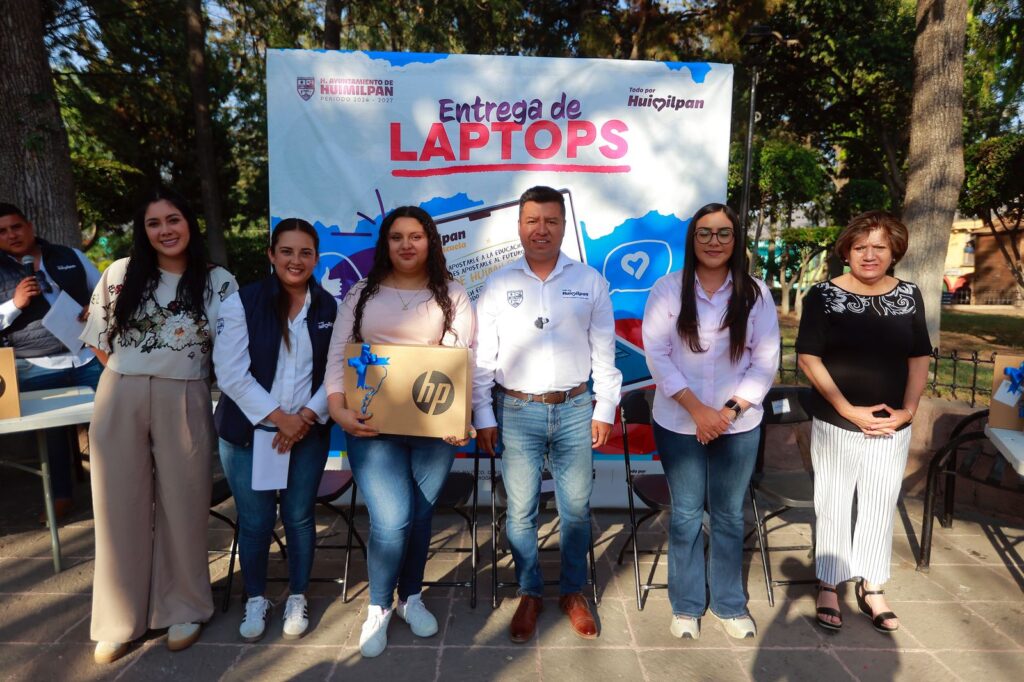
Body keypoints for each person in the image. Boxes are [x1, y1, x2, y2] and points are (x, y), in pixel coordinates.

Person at [80, 188, 238, 663]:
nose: (165, 230)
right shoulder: (120, 273)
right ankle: (118, 619)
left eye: (173, 219)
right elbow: (97, 339)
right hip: (120, 392)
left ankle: (184, 606)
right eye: (154, 223)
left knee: (185, 503)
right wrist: (131, 375)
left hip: (186, 393)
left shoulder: (218, 282)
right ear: (143, 230)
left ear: (189, 223)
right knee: (117, 507)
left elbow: (230, 351)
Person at [473, 185, 622, 643]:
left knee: (575, 509)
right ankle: (530, 591)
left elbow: (605, 352)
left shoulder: (589, 281)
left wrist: (605, 407)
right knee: (520, 511)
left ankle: (572, 592)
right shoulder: (499, 284)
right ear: (519, 226)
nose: (542, 229)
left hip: (576, 408)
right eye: (532, 221)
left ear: (563, 225)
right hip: (516, 410)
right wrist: (483, 415)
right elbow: (482, 357)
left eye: (551, 221)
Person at [325, 205, 474, 658]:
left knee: (421, 515)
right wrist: (337, 409)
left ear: (430, 241)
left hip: (432, 426)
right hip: (371, 426)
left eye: (415, 236)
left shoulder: (453, 294)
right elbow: (338, 354)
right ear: (385, 244)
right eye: (396, 237)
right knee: (392, 520)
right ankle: (379, 606)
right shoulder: (361, 294)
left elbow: (459, 359)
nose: (406, 245)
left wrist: (458, 419)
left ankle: (410, 597)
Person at [641, 202, 779, 640]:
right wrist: (699, 411)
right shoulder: (667, 290)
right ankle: (686, 606)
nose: (713, 241)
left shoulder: (755, 293)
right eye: (704, 232)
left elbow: (765, 360)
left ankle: (728, 604)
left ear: (735, 240)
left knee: (728, 515)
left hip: (737, 426)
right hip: (679, 423)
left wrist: (728, 412)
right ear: (693, 239)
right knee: (685, 514)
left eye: (723, 233)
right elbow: (657, 355)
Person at [796, 210, 930, 634]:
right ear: (847, 251)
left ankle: (872, 585)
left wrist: (908, 411)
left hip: (892, 426)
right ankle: (829, 583)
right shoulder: (822, 295)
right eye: (860, 247)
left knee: (880, 503)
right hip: (837, 422)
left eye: (879, 247)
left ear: (894, 252)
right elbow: (808, 358)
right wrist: (848, 409)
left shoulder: (909, 295)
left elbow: (919, 358)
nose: (869, 255)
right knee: (833, 503)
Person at [213, 218, 336, 642]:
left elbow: (335, 372)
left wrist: (305, 417)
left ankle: (297, 596)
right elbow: (231, 374)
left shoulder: (330, 307)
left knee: (299, 517)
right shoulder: (241, 303)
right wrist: (280, 418)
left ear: (316, 259)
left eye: (305, 252)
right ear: (271, 255)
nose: (295, 260)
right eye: (286, 251)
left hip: (307, 433)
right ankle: (255, 597)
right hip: (248, 434)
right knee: (255, 521)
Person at [0, 202, 103, 521]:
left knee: (112, 424)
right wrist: (14, 304)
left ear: (29, 226)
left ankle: (119, 488)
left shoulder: (70, 256)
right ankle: (61, 496)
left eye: (16, 227)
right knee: (52, 437)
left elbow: (105, 291)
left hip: (87, 357)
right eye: (2, 231)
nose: (11, 235)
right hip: (36, 365)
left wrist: (95, 307)